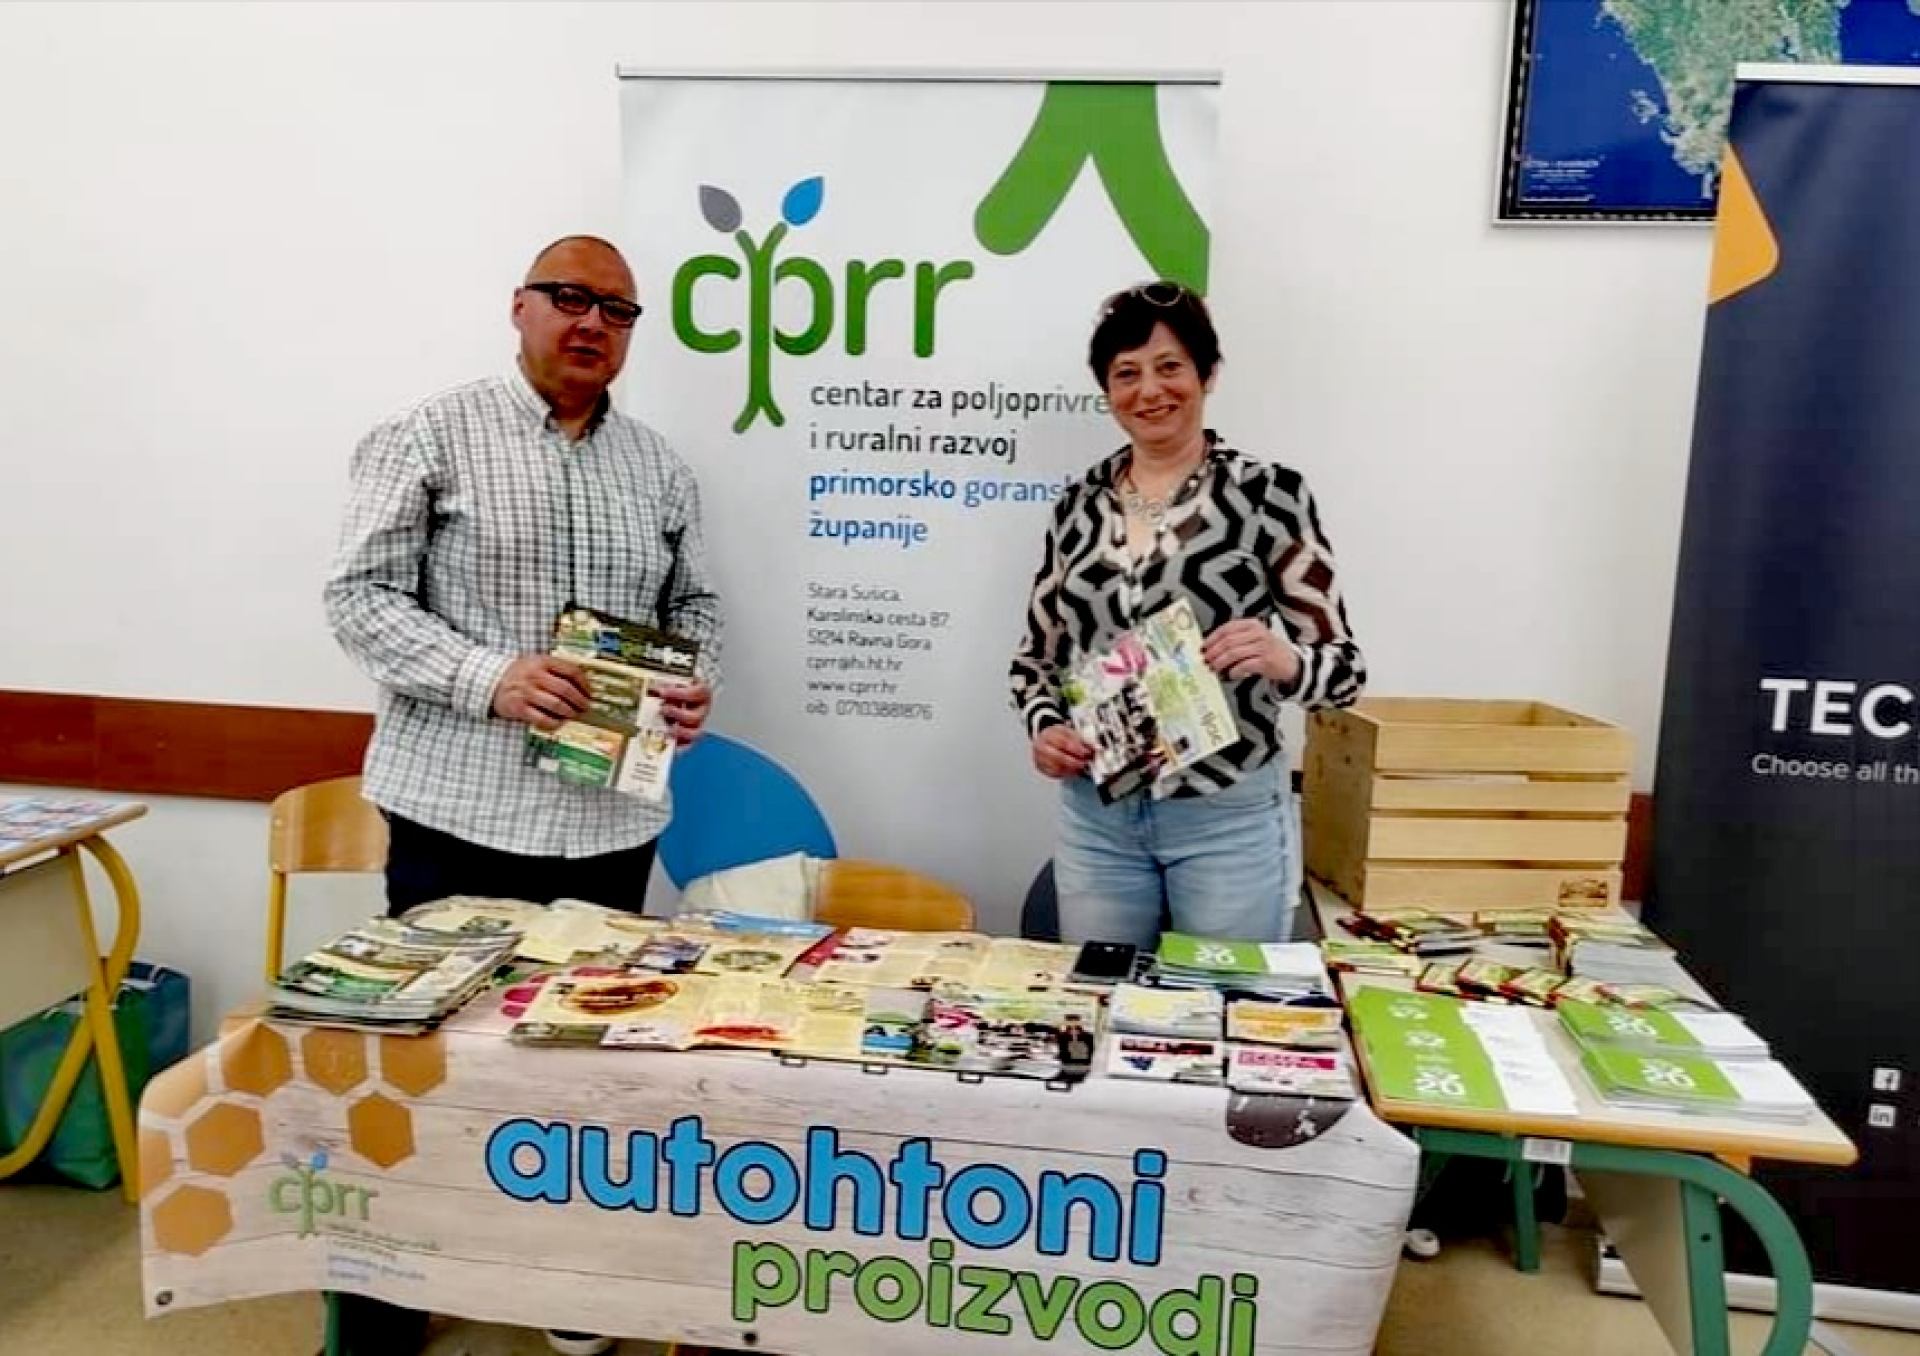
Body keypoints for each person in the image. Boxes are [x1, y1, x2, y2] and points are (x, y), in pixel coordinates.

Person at [323, 235, 720, 1356]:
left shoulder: (658, 467)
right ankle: (386, 1307)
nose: (592, 322)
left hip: (606, 824)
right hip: (457, 816)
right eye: (570, 298)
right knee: (422, 1068)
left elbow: (697, 605)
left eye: (617, 310)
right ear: (521, 307)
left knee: (579, 1077)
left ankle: (565, 1288)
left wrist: (694, 682)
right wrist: (488, 677)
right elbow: (357, 597)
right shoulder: (431, 432)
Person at [1010, 281, 1363, 952]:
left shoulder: (1268, 495)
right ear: (1107, 390)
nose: (1150, 390)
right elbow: (1034, 661)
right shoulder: (1079, 505)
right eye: (1126, 374)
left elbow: (1344, 672)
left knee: (1224, 1001)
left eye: (1169, 366)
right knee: (1101, 1000)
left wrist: (1285, 660)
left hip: (1227, 816)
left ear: (1208, 373)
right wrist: (1046, 726)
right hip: (1099, 817)